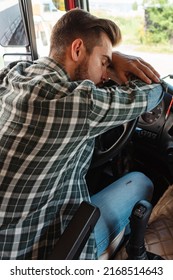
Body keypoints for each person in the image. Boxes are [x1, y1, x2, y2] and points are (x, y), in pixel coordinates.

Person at [0, 9, 164, 260]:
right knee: (142, 181)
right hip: (36, 254)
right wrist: (122, 59)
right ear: (77, 49)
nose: (106, 75)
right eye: (104, 63)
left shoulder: (15, 74)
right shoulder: (76, 102)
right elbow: (153, 90)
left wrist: (108, 56)